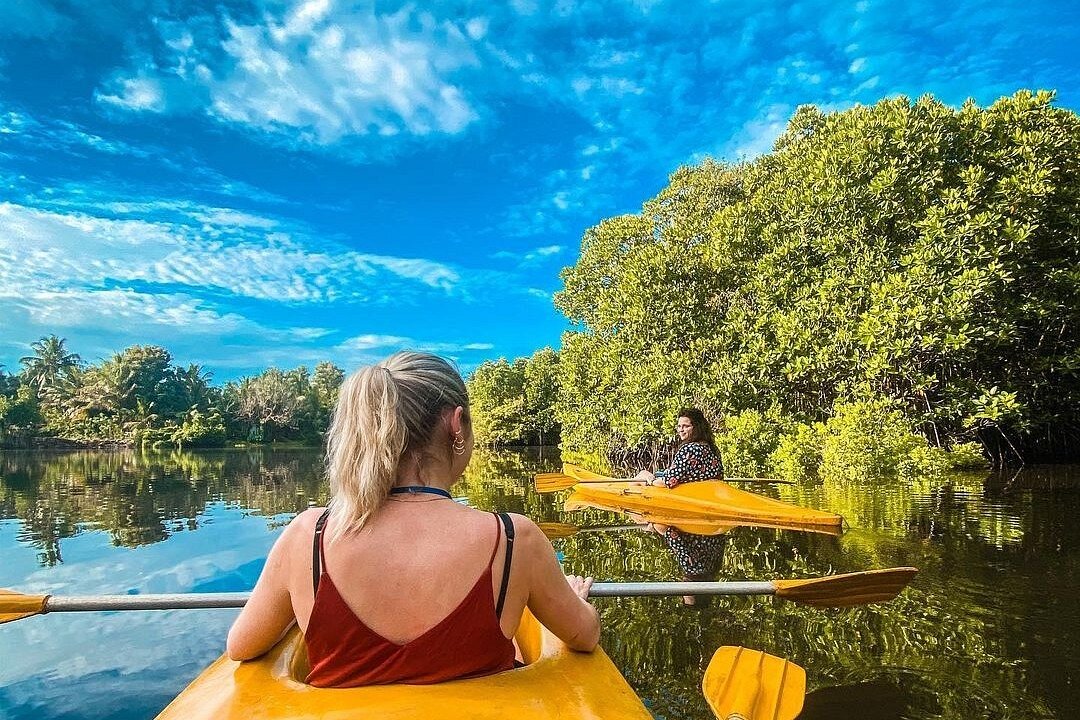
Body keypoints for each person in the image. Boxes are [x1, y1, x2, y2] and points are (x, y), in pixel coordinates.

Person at [227, 352, 599, 686]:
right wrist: (575, 599)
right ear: (457, 424)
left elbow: (241, 645)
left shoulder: (309, 534)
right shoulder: (516, 538)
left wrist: (300, 600)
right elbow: (585, 636)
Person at [633, 408, 725, 488]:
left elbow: (668, 482)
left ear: (697, 428)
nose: (681, 430)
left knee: (642, 475)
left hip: (688, 495)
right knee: (647, 473)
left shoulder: (688, 449)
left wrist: (650, 480)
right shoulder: (712, 448)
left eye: (686, 426)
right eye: (679, 426)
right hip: (707, 491)